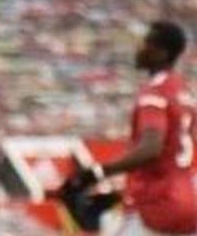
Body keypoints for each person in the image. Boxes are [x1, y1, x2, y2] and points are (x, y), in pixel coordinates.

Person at [59, 20, 196, 235]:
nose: (139, 49)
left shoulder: (155, 92)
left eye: (145, 43)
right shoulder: (183, 93)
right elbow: (173, 155)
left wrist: (97, 172)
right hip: (187, 201)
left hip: (156, 203)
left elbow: (151, 149)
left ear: (161, 53)